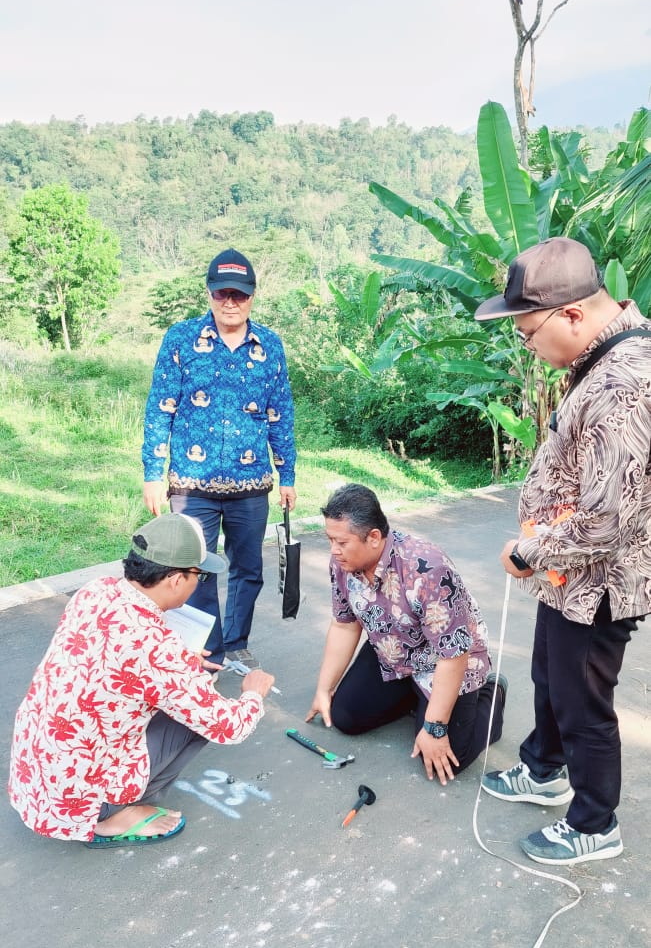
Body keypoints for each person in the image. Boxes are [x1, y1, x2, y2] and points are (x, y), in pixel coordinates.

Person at [475, 236, 651, 866]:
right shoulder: (598, 355)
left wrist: (529, 550)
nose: (527, 346)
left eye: (528, 334)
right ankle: (543, 769)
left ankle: (594, 824)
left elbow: (609, 518)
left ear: (572, 314)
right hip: (566, 577)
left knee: (583, 703)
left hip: (597, 580)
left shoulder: (624, 381)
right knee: (549, 676)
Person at [8, 513, 275, 848]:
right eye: (199, 574)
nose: (199, 582)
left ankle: (106, 803)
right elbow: (228, 727)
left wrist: (182, 664)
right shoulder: (158, 648)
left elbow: (116, 661)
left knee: (181, 695)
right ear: (176, 579)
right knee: (200, 713)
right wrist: (253, 694)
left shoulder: (96, 591)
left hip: (38, 771)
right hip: (81, 799)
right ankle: (111, 815)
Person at [142, 247, 297, 669]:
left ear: (252, 296)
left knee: (249, 569)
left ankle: (237, 640)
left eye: (239, 294)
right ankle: (207, 650)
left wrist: (287, 474)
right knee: (194, 568)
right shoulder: (181, 339)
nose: (231, 302)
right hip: (192, 485)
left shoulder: (270, 345)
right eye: (222, 293)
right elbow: (160, 408)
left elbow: (280, 413)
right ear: (209, 293)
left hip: (252, 484)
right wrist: (153, 473)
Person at [306, 484, 506, 785]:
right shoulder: (342, 563)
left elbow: (453, 655)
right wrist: (324, 689)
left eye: (341, 542)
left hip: (447, 661)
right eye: (330, 540)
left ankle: (492, 694)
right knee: (345, 717)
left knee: (448, 757)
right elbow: (345, 624)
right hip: (393, 650)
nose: (334, 550)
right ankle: (416, 696)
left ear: (374, 537)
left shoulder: (427, 569)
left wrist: (435, 728)